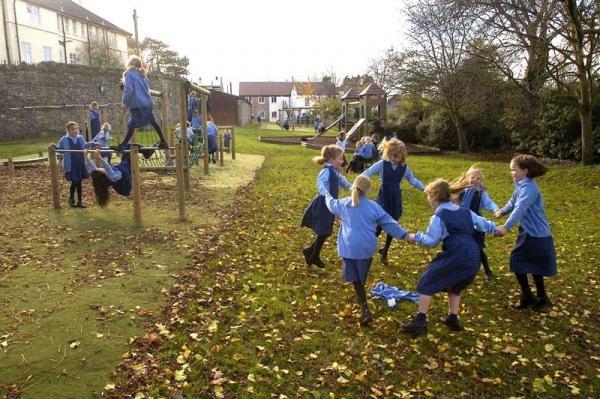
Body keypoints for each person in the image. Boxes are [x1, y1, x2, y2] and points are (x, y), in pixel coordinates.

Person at [402, 179, 499, 335]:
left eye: (428, 196)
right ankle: (452, 319)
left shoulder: (439, 215)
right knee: (456, 286)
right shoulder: (465, 211)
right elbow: (483, 224)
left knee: (426, 281)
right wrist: (495, 229)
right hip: (474, 255)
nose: (428, 199)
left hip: (457, 253)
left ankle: (420, 321)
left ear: (434, 196)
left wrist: (415, 237)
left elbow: (431, 241)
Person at [325, 175, 412, 326]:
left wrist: (326, 194)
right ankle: (363, 300)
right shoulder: (373, 206)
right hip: (367, 248)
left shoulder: (344, 204)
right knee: (361, 274)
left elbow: (330, 204)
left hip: (349, 247)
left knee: (356, 279)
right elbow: (389, 223)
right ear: (368, 190)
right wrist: (405, 235)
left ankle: (364, 306)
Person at [495, 155, 556, 311]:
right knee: (532, 264)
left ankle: (533, 297)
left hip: (536, 233)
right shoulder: (521, 184)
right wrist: (502, 211)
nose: (511, 173)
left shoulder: (529, 188)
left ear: (525, 171)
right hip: (528, 231)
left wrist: (506, 227)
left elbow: (520, 208)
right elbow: (513, 201)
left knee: (518, 261)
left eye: (513, 170)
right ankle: (537, 297)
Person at [362, 138, 425, 262]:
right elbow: (367, 172)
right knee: (379, 223)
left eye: (398, 157)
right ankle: (367, 247)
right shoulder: (382, 164)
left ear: (402, 156)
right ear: (388, 153)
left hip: (395, 198)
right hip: (384, 197)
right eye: (392, 155)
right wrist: (359, 183)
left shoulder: (404, 168)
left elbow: (413, 181)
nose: (394, 159)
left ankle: (385, 251)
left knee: (393, 224)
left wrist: (426, 188)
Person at [301, 145, 352, 268]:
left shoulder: (334, 171)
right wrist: (326, 195)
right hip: (324, 204)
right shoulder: (326, 171)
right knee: (325, 231)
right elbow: (320, 183)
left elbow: (342, 181)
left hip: (330, 205)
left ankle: (311, 252)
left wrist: (352, 188)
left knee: (325, 231)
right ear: (332, 159)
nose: (342, 161)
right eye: (340, 159)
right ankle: (314, 256)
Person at [451, 165, 500, 279]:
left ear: (481, 181)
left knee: (478, 247)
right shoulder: (461, 190)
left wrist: (496, 209)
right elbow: (453, 200)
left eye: (478, 178)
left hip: (476, 224)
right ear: (468, 178)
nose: (475, 180)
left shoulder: (481, 193)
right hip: (462, 222)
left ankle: (487, 270)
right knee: (461, 245)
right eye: (473, 177)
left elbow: (489, 203)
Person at [116, 55, 168, 151]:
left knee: (132, 124)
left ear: (129, 64)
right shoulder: (143, 74)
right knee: (152, 122)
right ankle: (163, 141)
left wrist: (124, 102)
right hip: (147, 103)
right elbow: (145, 89)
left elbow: (129, 89)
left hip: (137, 104)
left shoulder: (129, 73)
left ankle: (123, 145)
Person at [85, 145, 152, 207]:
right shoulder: (111, 176)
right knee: (131, 147)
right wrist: (100, 157)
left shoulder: (100, 176)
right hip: (125, 182)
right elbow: (108, 167)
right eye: (99, 169)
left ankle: (146, 152)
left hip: (123, 167)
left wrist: (85, 156)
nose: (98, 168)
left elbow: (90, 167)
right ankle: (147, 152)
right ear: (101, 173)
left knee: (127, 146)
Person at [55, 122, 90, 208]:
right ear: (68, 130)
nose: (75, 131)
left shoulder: (80, 138)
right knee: (75, 181)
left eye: (76, 129)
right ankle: (71, 198)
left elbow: (85, 146)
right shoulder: (64, 139)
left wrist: (93, 143)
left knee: (79, 182)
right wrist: (54, 147)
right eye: (73, 129)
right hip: (71, 164)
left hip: (79, 163)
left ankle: (79, 201)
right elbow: (59, 149)